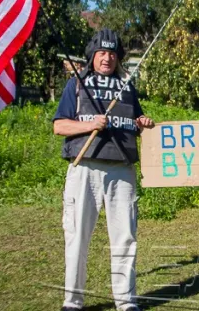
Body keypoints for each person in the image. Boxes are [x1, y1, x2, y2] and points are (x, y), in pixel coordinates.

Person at [53, 28, 154, 311]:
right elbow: (59, 125)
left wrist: (143, 122)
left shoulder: (127, 87)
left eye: (112, 53)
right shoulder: (76, 84)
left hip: (122, 171)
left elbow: (136, 119)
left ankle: (126, 301)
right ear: (92, 56)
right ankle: (72, 301)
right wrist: (89, 125)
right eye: (101, 53)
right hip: (84, 168)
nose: (107, 58)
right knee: (77, 236)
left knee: (125, 238)